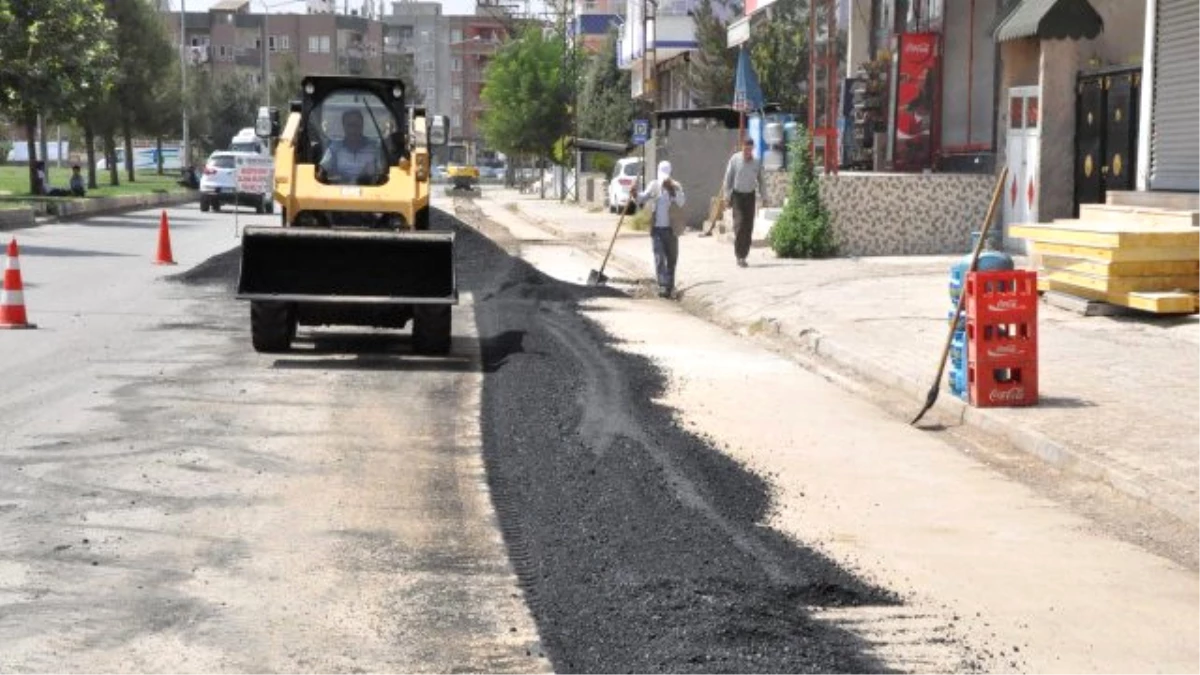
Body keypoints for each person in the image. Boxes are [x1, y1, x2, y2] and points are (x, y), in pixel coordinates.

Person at [636, 160, 686, 298]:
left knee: (672, 259)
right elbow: (642, 199)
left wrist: (673, 191)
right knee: (659, 258)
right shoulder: (654, 185)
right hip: (657, 229)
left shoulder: (676, 186)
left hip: (671, 230)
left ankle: (670, 285)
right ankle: (663, 285)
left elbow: (682, 202)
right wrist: (635, 193)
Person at [723, 138, 764, 268]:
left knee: (748, 227)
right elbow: (728, 178)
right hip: (738, 196)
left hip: (750, 196)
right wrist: (726, 196)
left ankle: (744, 256)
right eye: (746, 149)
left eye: (750, 149)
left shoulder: (756, 162)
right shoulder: (735, 159)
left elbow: (761, 180)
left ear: (753, 149)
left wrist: (765, 197)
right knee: (739, 225)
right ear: (742, 147)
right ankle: (739, 255)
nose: (747, 151)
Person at [319, 109, 385, 185]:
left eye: (357, 125)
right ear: (344, 126)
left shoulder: (375, 148)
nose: (353, 129)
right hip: (339, 190)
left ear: (362, 126)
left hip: (369, 190)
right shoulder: (334, 148)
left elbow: (382, 175)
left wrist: (372, 174)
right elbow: (322, 172)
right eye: (350, 125)